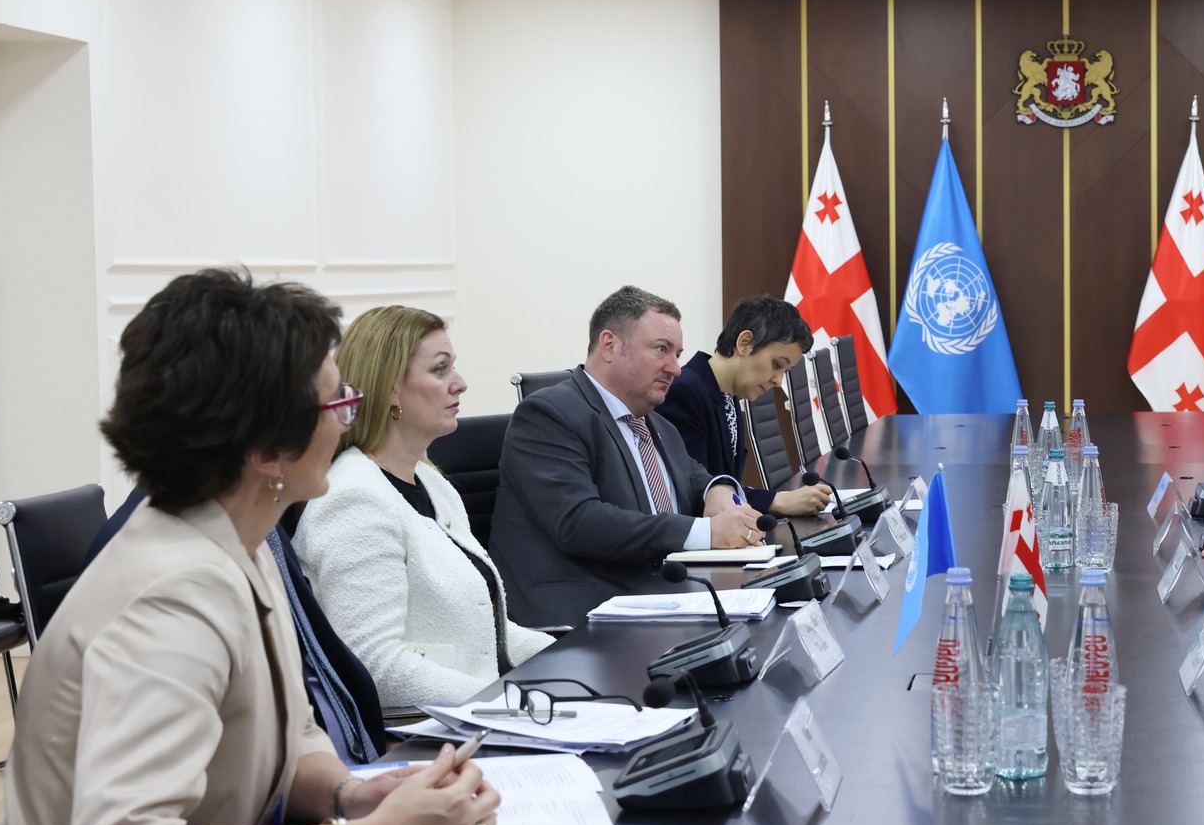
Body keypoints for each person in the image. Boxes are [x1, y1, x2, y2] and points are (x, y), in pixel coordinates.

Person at [0, 270, 498, 825]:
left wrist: (347, 796)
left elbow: (289, 726)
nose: (348, 421)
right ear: (266, 450)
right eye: (336, 404)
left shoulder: (240, 536)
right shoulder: (171, 596)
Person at [296, 307, 554, 707]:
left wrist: (574, 660)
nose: (460, 383)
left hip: (480, 711)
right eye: (440, 369)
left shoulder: (432, 483)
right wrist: (506, 705)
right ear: (390, 390)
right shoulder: (354, 499)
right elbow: (374, 665)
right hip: (428, 728)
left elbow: (490, 638)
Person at [492, 286, 764, 624]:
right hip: (584, 614)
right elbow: (579, 522)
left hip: (662, 597)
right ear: (609, 345)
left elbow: (695, 476)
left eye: (677, 354)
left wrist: (718, 489)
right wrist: (706, 532)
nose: (675, 368)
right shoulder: (548, 415)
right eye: (661, 349)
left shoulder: (656, 423)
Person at [84, 487, 388, 765]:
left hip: (332, 765)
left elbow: (305, 686)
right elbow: (152, 781)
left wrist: (349, 789)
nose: (337, 443)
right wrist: (344, 805)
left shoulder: (255, 525)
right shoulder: (155, 558)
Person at [656, 295, 833, 518]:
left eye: (785, 372)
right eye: (777, 364)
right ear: (745, 342)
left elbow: (726, 483)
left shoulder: (728, 395)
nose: (778, 381)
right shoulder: (685, 392)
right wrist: (777, 500)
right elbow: (697, 492)